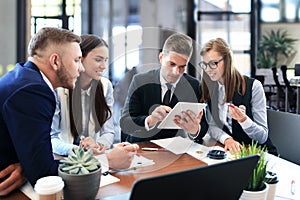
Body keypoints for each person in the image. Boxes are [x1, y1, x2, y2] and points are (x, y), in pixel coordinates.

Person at [0, 27, 138, 194]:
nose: (80, 68)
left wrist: (26, 166)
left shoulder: (25, 77)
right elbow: (43, 174)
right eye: (77, 60)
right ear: (55, 61)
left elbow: (35, 160)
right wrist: (106, 160)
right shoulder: (34, 91)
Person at [120, 33, 208, 143]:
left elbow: (204, 125)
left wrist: (194, 130)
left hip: (175, 148)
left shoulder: (194, 86)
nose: (176, 72)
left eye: (182, 67)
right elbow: (126, 122)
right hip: (141, 146)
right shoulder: (140, 81)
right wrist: (150, 120)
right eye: (171, 64)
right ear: (161, 58)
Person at [195, 37, 277, 155]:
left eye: (213, 63)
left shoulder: (253, 86)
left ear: (227, 60)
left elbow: (262, 137)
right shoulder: (210, 89)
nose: (208, 69)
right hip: (232, 152)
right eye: (205, 64)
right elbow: (212, 126)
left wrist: (244, 121)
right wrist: (227, 139)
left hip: (259, 153)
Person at [51, 34, 115, 156]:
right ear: (81, 58)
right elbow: (52, 137)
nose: (104, 66)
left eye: (105, 60)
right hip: (64, 158)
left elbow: (109, 132)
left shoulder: (106, 86)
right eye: (98, 59)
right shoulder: (58, 89)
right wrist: (75, 149)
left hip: (94, 157)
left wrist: (98, 145)